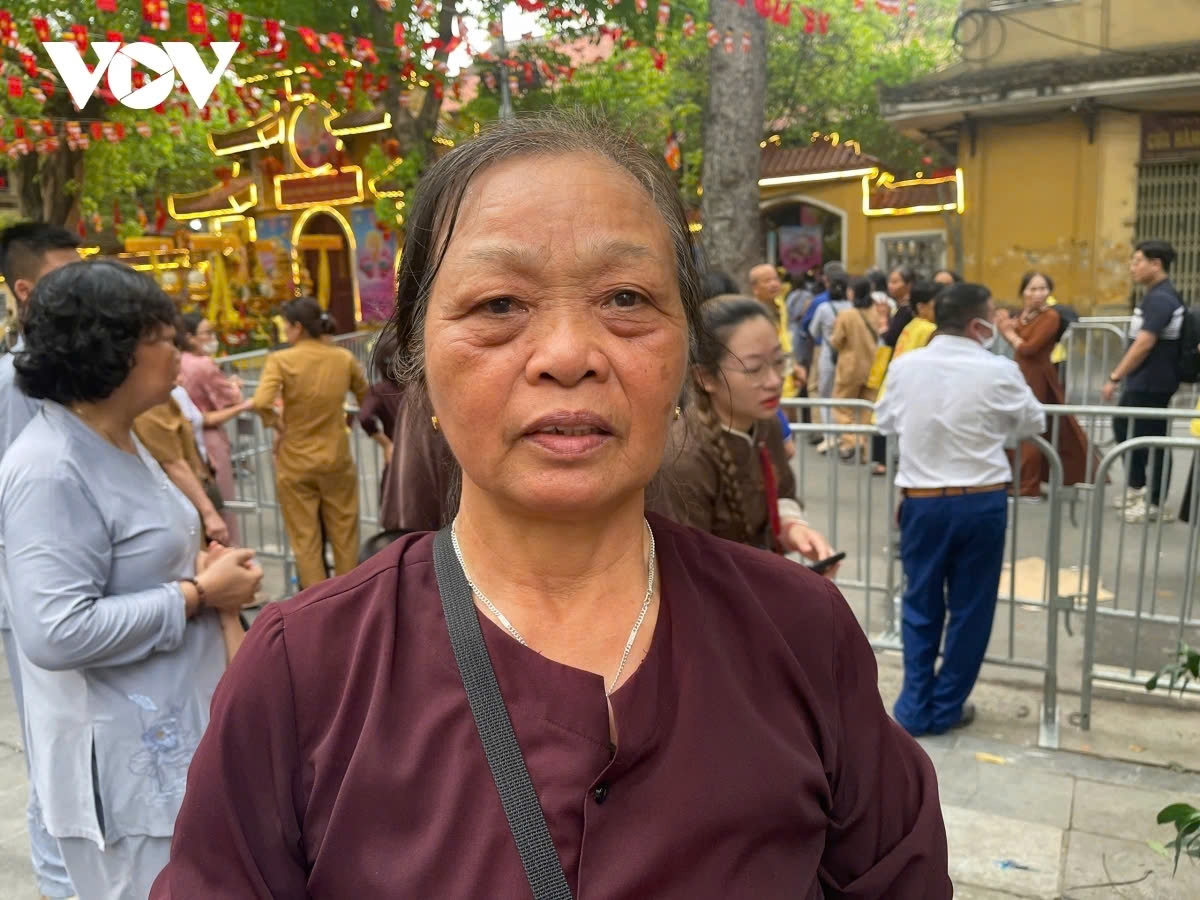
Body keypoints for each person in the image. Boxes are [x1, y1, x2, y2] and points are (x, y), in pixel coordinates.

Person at [152, 113, 950, 899]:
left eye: (627, 297)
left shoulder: (799, 632)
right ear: (416, 356)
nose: (569, 356)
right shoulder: (307, 672)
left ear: (683, 353)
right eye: (499, 305)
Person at [0, 261, 262, 898]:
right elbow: (55, 632)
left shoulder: (118, 440)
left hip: (171, 742)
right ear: (109, 348)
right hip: (123, 775)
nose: (177, 348)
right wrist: (197, 596)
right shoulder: (49, 469)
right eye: (161, 335)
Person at [876, 283, 1045, 738]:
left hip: (922, 501)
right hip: (981, 500)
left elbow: (885, 421)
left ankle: (913, 707)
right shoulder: (997, 369)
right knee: (971, 608)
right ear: (978, 324)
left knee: (920, 602)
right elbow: (1034, 421)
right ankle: (946, 705)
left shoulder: (906, 366)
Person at [0, 222, 79, 900]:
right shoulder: (11, 385)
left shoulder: (87, 369)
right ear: (26, 291)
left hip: (94, 598)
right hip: (36, 602)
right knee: (53, 760)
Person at [660, 294, 834, 563]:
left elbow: (784, 493)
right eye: (753, 369)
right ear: (705, 377)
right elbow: (686, 570)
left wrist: (793, 528)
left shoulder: (767, 424)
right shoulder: (683, 458)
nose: (775, 381)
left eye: (778, 361)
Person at [251, 297, 369, 589]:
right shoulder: (342, 358)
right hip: (336, 456)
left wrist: (279, 426)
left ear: (298, 327)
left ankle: (317, 605)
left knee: (306, 540)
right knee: (345, 534)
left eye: (286, 326)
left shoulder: (281, 360)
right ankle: (349, 597)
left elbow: (262, 402)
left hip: (295, 459)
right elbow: (366, 397)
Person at [1101, 240, 1185, 523]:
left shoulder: (1161, 298)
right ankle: (1139, 488)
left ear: (1155, 264)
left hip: (1153, 381)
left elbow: (1144, 343)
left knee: (1153, 438)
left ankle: (1156, 502)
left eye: (1137, 261)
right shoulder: (1154, 295)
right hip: (1143, 381)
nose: (1132, 267)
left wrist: (1115, 376)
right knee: (1126, 428)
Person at [997, 272, 1096, 498]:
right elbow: (1017, 341)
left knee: (1032, 427)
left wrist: (1009, 332)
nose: (1037, 294)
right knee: (1016, 426)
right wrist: (1009, 327)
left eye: (1043, 289)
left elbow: (1029, 348)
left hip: (1038, 376)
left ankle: (1028, 485)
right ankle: (1017, 478)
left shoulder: (1051, 317)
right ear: (1023, 292)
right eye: (1032, 289)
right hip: (1019, 373)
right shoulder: (1025, 315)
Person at [178, 312, 251, 544]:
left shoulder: (179, 362)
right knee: (222, 505)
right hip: (210, 441)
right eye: (207, 333)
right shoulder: (202, 364)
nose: (212, 337)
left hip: (186, 441)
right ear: (190, 337)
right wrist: (238, 392)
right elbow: (229, 397)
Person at [830, 277, 880, 461]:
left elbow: (836, 340)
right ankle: (867, 445)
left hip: (850, 366)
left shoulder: (846, 314)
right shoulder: (876, 312)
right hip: (873, 365)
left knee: (842, 406)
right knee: (867, 409)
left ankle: (852, 440)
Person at [356, 327, 403, 498]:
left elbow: (364, 417)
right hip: (428, 462)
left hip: (397, 460)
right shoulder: (421, 388)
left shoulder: (379, 391)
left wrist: (386, 443)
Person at [807, 271, 851, 453]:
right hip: (847, 355)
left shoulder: (823, 308)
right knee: (843, 396)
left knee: (825, 396)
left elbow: (813, 331)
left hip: (827, 354)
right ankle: (844, 437)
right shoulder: (852, 308)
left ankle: (829, 437)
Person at [749, 263, 797, 402]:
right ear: (755, 288)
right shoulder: (753, 314)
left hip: (787, 379)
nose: (774, 284)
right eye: (767, 281)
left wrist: (794, 367)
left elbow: (784, 341)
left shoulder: (781, 306)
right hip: (768, 383)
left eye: (776, 279)